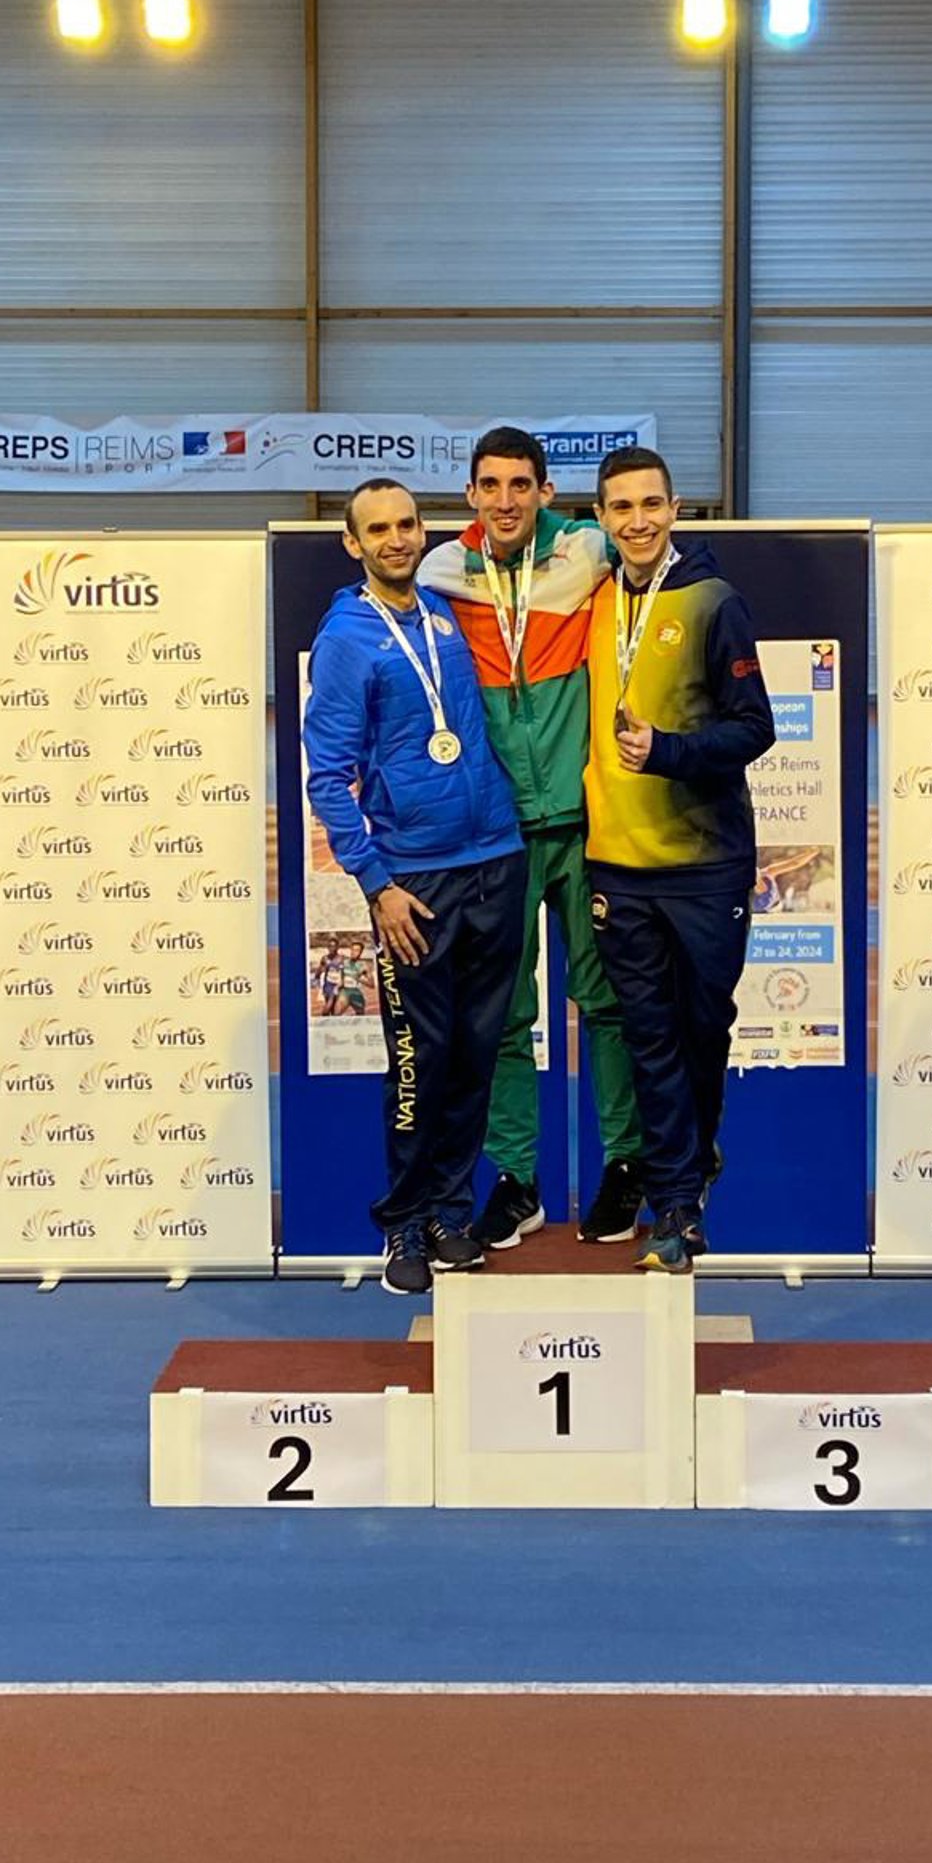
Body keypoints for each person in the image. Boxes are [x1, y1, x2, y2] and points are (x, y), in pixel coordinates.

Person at [419, 428, 648, 1250]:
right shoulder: (442, 571)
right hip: (497, 839)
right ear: (470, 494)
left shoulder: (585, 551)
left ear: (547, 492)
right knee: (504, 1017)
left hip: (586, 826)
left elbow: (651, 557)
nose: (506, 500)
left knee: (608, 1003)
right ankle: (517, 1181)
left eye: (521, 485)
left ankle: (625, 1165)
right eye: (490, 485)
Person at [303, 478, 529, 1296]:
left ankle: (448, 1212)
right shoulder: (345, 639)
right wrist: (378, 883)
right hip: (416, 882)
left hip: (495, 860)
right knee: (418, 1061)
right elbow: (327, 776)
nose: (396, 539)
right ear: (353, 544)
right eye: (378, 530)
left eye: (406, 524)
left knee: (475, 1056)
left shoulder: (441, 613)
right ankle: (402, 1221)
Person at [584, 446, 775, 1273]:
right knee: (648, 1041)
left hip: (704, 864)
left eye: (651, 505)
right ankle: (677, 1208)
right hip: (616, 865)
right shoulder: (592, 598)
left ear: (675, 509)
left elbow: (755, 728)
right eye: (622, 508)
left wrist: (667, 750)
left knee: (700, 1033)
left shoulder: (712, 601)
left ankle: (693, 1164)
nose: (638, 521)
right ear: (601, 519)